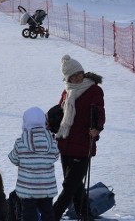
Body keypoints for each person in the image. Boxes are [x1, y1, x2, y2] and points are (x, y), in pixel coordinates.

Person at [52, 55, 105, 221]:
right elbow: (60, 114)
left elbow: (100, 112)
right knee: (75, 184)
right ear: (67, 78)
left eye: (79, 73)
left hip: (83, 143)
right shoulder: (66, 91)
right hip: (65, 143)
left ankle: (53, 215)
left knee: (69, 185)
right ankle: (85, 213)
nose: (77, 77)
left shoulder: (94, 90)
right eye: (73, 75)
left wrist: (97, 127)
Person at [8, 107, 59, 221]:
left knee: (29, 214)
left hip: (28, 188)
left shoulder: (21, 142)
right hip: (47, 188)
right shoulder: (51, 141)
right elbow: (55, 156)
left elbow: (13, 159)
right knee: (47, 213)